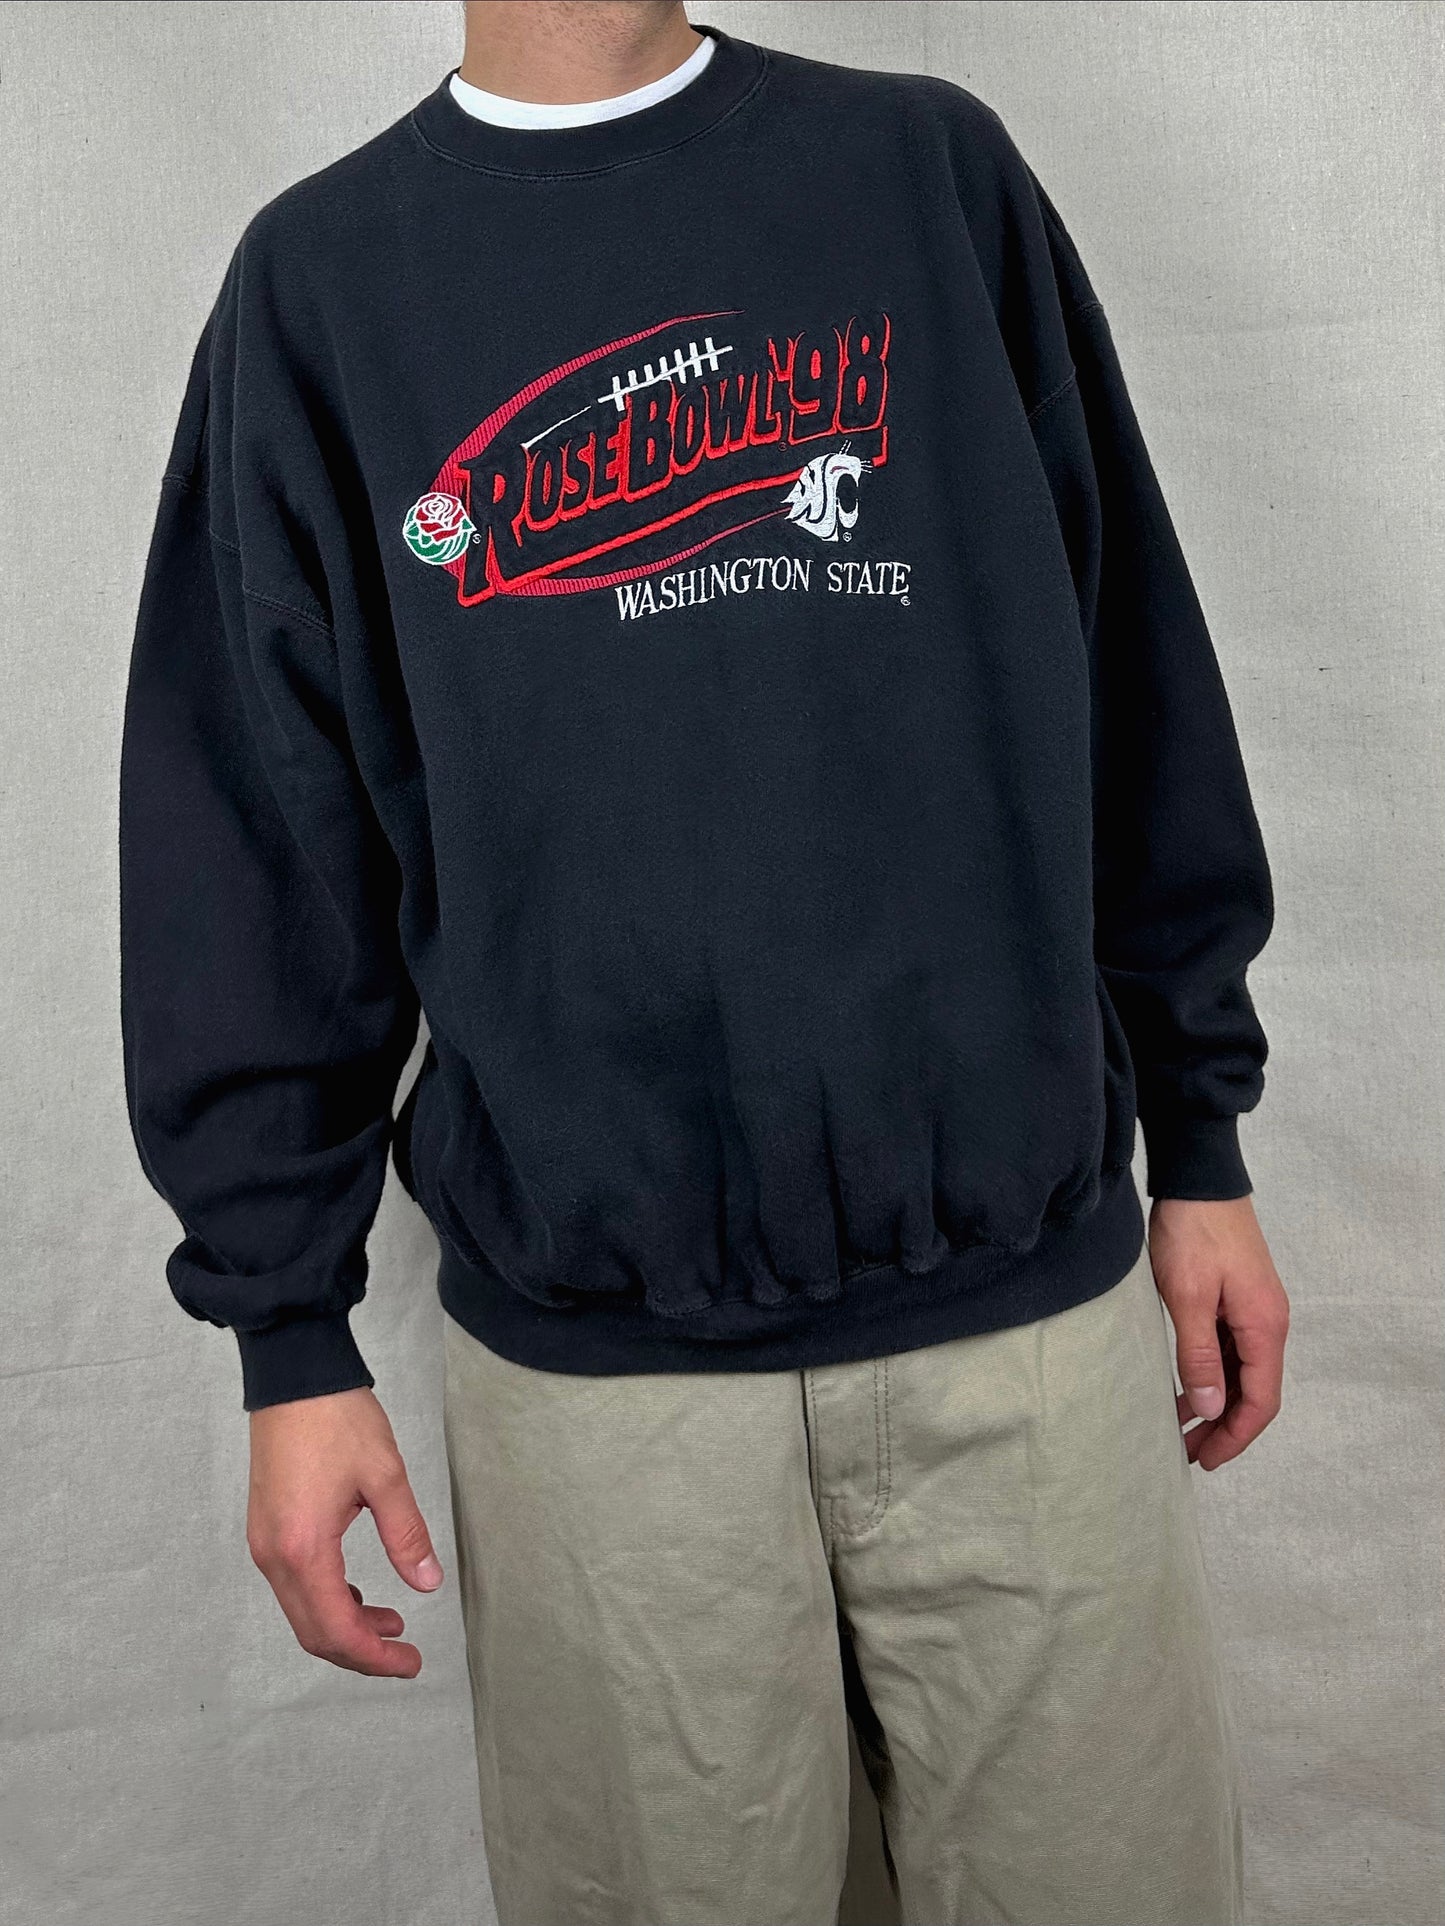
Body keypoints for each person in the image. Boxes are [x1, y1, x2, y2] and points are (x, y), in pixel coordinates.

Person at [118, 5, 1289, 1922]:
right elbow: (253, 852)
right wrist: (286, 1334)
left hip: (1024, 1328)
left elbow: (1128, 668)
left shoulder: (925, 174)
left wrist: (1205, 1136)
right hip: (603, 1402)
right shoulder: (320, 285)